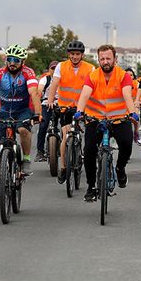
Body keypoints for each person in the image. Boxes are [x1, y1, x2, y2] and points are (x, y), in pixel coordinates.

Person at [0, 44, 41, 203]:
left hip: (22, 110)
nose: (12, 63)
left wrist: (38, 114)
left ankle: (25, 159)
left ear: (22, 61)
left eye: (16, 60)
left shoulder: (28, 73)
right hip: (4, 111)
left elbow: (33, 93)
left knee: (24, 130)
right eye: (9, 59)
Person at [75, 45, 138, 202]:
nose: (105, 61)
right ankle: (91, 186)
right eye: (102, 58)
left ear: (115, 59)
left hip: (119, 118)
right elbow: (85, 94)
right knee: (89, 150)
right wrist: (79, 111)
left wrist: (132, 113)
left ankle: (120, 168)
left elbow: (127, 95)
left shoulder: (124, 76)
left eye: (108, 58)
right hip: (95, 118)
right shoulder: (93, 76)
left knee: (126, 144)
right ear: (98, 60)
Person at [46, 41, 95, 184]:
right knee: (66, 133)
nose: (74, 57)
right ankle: (63, 166)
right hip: (65, 107)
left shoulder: (90, 68)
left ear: (82, 55)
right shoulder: (61, 66)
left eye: (77, 54)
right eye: (72, 54)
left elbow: (93, 87)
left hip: (83, 107)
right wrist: (50, 101)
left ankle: (89, 156)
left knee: (91, 133)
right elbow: (54, 84)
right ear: (69, 54)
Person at [35, 60, 59, 161]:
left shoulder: (63, 79)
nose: (54, 70)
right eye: (52, 68)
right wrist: (39, 95)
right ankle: (40, 152)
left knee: (66, 126)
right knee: (43, 125)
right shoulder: (45, 79)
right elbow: (39, 90)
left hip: (60, 105)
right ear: (49, 70)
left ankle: (67, 147)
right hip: (46, 104)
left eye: (56, 68)